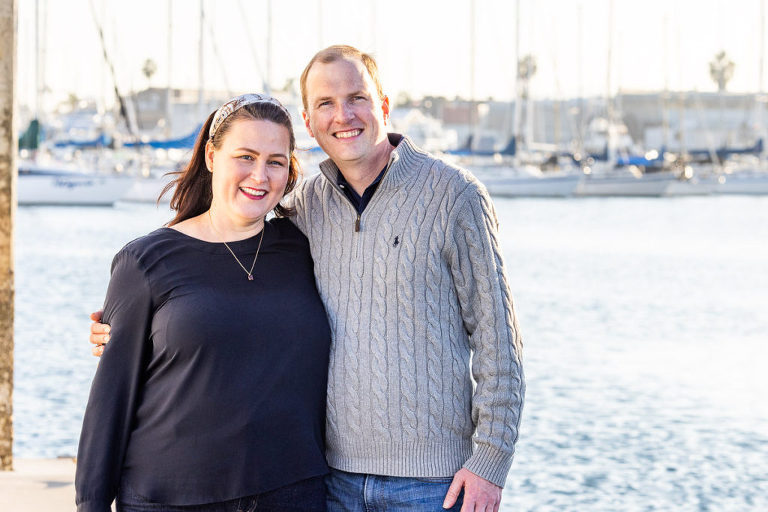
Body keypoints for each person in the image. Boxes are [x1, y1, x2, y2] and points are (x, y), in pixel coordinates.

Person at [91, 45, 525, 512]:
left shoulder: (454, 196)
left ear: (382, 104)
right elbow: (225, 258)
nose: (344, 115)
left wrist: (490, 463)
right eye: (325, 103)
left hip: (432, 484)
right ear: (309, 120)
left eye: (357, 97)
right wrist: (132, 322)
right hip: (330, 481)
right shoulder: (305, 207)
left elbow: (499, 341)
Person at [77, 94, 332, 512]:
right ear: (212, 156)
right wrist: (91, 503)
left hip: (293, 493)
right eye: (245, 156)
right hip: (170, 497)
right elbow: (111, 401)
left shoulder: (306, 249)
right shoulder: (146, 261)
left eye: (275, 161)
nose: (260, 175)